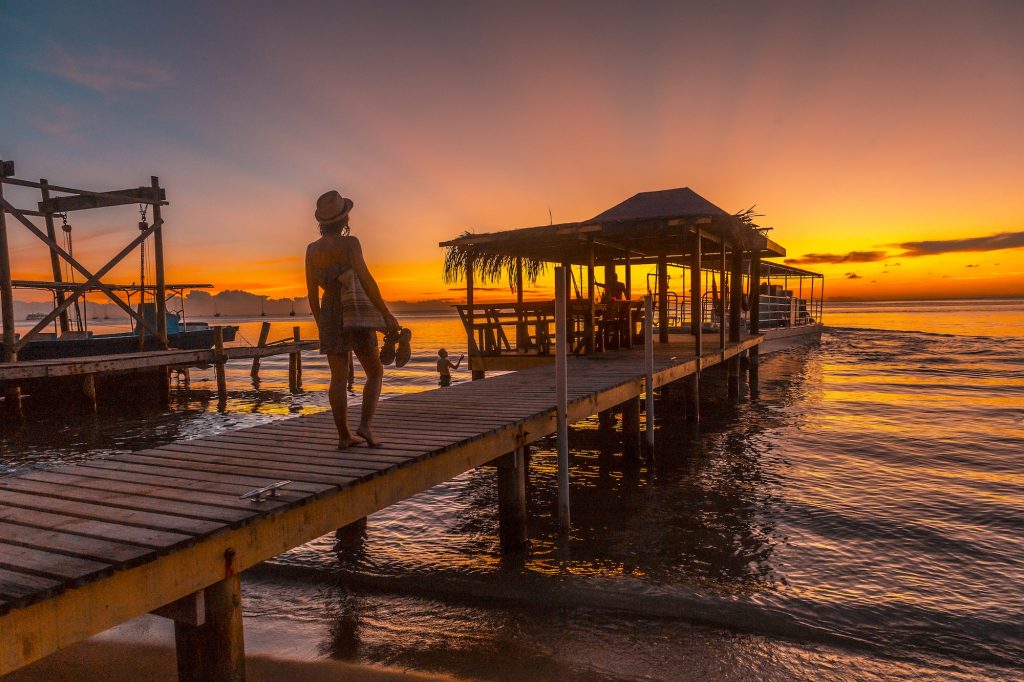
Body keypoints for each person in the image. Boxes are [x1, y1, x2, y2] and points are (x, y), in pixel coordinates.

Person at [306, 190, 400, 448]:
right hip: (355, 309)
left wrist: (321, 324)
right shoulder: (351, 244)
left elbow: (311, 294)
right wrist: (385, 313)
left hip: (329, 312)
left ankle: (344, 436)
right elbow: (367, 280)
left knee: (338, 377)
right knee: (375, 371)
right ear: (344, 219)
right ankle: (366, 427)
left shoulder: (312, 250)